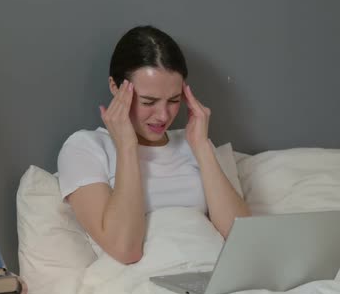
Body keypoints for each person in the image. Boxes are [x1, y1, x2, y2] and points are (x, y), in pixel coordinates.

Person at [57, 25, 250, 265]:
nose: (162, 115)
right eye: (149, 101)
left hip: (207, 273)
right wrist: (127, 147)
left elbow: (245, 242)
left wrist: (201, 146)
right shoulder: (85, 147)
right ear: (115, 87)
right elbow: (125, 250)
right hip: (138, 283)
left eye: (174, 100)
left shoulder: (194, 144)